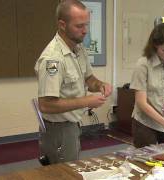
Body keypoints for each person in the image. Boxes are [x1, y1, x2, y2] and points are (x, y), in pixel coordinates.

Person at [34, 0, 112, 164]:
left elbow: (88, 79)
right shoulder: (53, 59)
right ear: (62, 25)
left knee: (72, 168)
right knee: (62, 173)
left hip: (72, 124)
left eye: (87, 25)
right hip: (59, 130)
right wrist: (86, 101)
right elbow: (46, 105)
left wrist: (100, 85)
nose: (85, 31)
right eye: (79, 26)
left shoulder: (78, 47)